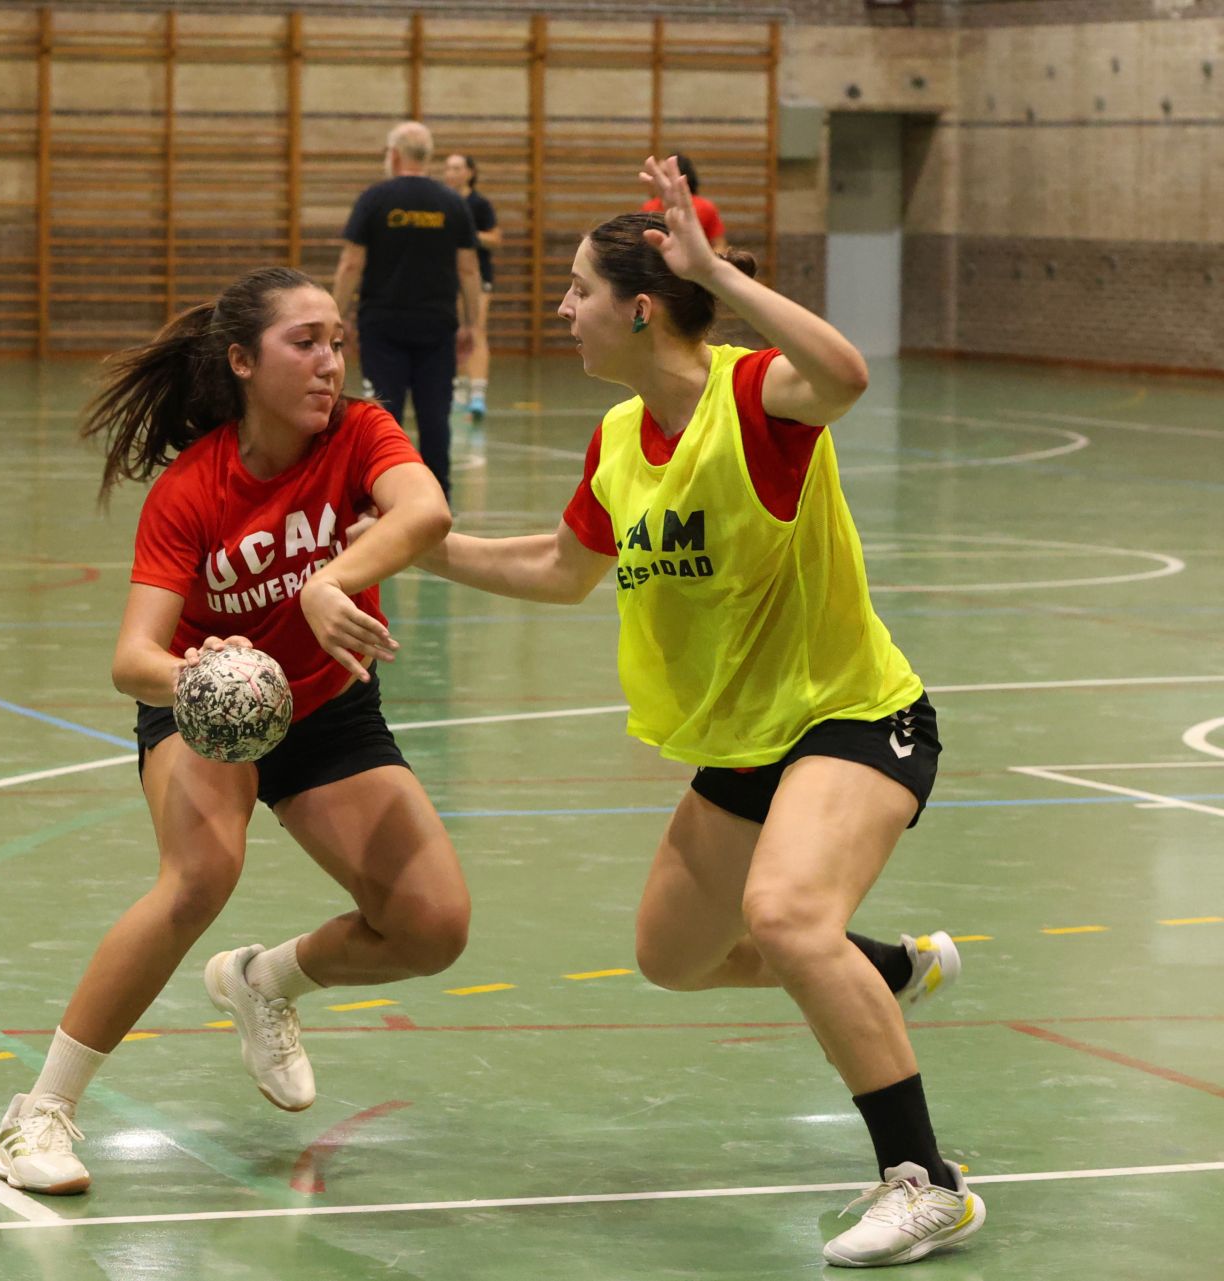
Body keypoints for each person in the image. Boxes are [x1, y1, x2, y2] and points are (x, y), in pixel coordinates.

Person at [382, 157, 982, 1268]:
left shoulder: (754, 398)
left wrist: (720, 273)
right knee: (675, 956)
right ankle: (886, 968)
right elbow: (562, 569)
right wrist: (409, 549)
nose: (561, 308)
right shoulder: (618, 441)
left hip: (852, 717)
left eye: (577, 291)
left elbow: (845, 375)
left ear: (641, 305)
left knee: (788, 916)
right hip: (740, 746)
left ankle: (925, 1182)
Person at [0, 266, 467, 1198]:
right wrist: (212, 675)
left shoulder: (363, 431)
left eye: (336, 340)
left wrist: (327, 583)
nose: (330, 363)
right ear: (243, 361)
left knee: (432, 926)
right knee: (201, 874)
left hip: (327, 706)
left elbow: (426, 510)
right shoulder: (193, 490)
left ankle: (264, 980)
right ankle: (38, 1111)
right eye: (305, 343)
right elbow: (134, 655)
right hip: (207, 706)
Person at [332, 121, 482, 504]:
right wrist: (472, 325)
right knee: (435, 417)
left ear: (394, 155)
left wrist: (336, 320)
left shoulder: (374, 199)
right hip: (436, 325)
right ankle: (437, 503)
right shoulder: (452, 203)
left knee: (384, 416)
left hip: (383, 325)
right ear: (427, 157)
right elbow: (468, 269)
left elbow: (351, 264)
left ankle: (384, 501)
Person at [443, 152, 499, 425]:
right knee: (454, 333)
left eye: (457, 168)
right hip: (447, 277)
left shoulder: (478, 205)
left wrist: (470, 236)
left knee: (475, 329)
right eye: (448, 168)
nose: (451, 173)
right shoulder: (442, 203)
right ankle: (458, 392)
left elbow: (495, 237)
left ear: (470, 173)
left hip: (477, 277)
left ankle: (478, 395)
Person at [640, 153, 727, 252]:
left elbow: (719, 245)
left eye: (664, 174)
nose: (658, 180)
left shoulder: (705, 207)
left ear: (681, 176)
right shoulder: (649, 207)